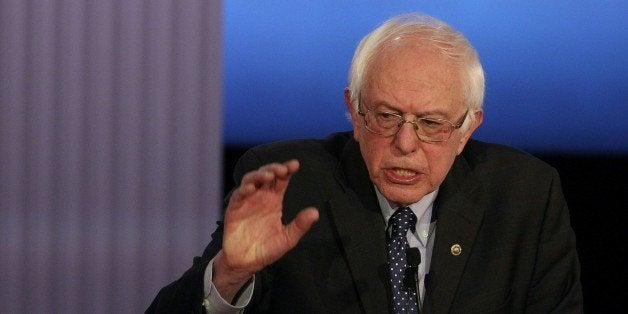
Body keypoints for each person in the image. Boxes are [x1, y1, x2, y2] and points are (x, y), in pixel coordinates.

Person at [147, 13, 583, 313]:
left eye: (431, 123)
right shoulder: (288, 187)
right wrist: (229, 273)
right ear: (354, 113)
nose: (405, 143)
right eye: (386, 116)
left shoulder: (526, 196)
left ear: (468, 128)